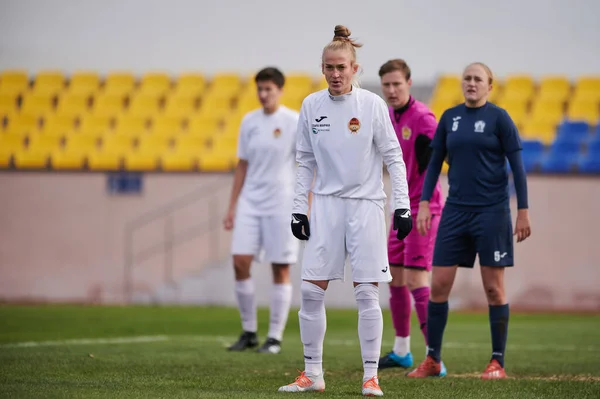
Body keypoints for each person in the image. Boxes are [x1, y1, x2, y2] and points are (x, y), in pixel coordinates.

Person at [277, 25, 412, 397]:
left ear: (354, 68)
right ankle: (313, 374)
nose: (335, 74)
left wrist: (402, 206)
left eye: (341, 67)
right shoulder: (310, 105)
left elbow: (394, 158)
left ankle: (371, 377)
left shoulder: (372, 106)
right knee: (309, 292)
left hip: (366, 208)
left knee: (367, 293)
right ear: (322, 69)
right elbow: (304, 161)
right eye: (329, 67)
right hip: (325, 207)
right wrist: (298, 210)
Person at [407, 62, 532, 379]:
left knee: (494, 290)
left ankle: (497, 363)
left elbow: (517, 167)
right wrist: (423, 203)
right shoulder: (450, 117)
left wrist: (523, 211)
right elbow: (434, 164)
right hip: (455, 213)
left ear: (489, 86)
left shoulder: (499, 119)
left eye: (478, 79)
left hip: (492, 213)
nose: (471, 83)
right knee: (438, 285)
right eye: (467, 78)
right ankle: (433, 360)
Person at [223, 67, 300, 355]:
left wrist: (306, 203)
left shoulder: (293, 121)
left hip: (282, 203)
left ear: (280, 90)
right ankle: (249, 331)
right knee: (239, 261)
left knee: (280, 267)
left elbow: (307, 163)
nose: (263, 94)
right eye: (260, 89)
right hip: (250, 203)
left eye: (269, 89)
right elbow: (242, 164)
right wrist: (232, 206)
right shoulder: (249, 121)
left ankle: (275, 337)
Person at [376, 59, 445, 373]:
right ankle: (402, 350)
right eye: (386, 85)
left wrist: (424, 206)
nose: (391, 90)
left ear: (408, 83)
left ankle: (435, 358)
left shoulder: (423, 118)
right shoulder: (387, 115)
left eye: (396, 85)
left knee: (417, 278)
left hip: (422, 208)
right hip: (401, 208)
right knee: (396, 278)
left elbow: (435, 165)